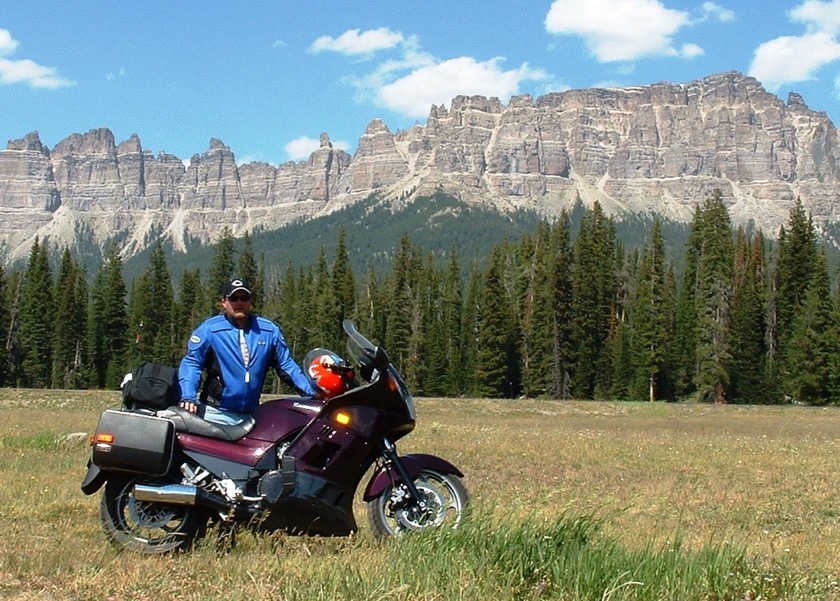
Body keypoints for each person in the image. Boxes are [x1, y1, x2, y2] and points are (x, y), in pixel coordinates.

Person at [178, 277, 316, 425]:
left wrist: (312, 393)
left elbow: (287, 367)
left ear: (251, 302)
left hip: (252, 414)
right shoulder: (210, 330)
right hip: (215, 412)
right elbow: (192, 364)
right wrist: (188, 396)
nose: (239, 303)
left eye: (244, 298)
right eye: (233, 298)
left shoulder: (269, 331)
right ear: (224, 302)